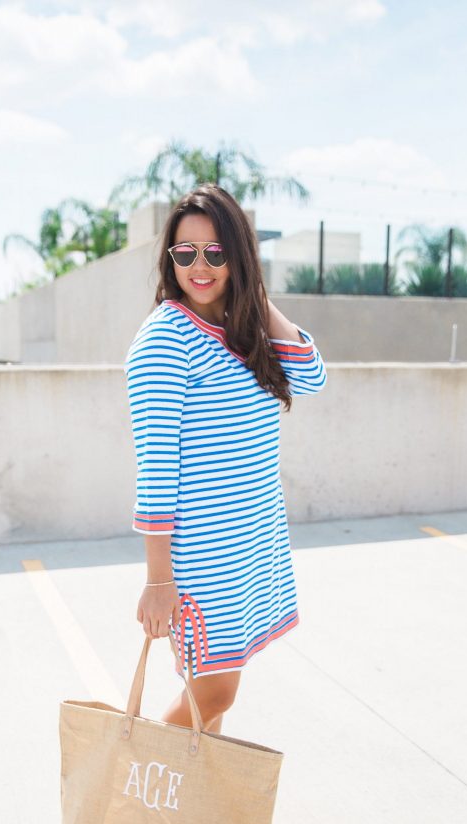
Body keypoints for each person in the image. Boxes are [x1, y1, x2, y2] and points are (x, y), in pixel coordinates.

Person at [124, 183, 327, 737]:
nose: (200, 266)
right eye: (185, 253)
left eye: (216, 252)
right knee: (214, 688)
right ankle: (131, 792)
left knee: (211, 697)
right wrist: (159, 579)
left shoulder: (240, 333)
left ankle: (182, 815)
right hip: (201, 557)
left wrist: (256, 298)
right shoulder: (165, 342)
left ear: (238, 256)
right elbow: (157, 470)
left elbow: (311, 376)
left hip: (247, 543)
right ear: (170, 260)